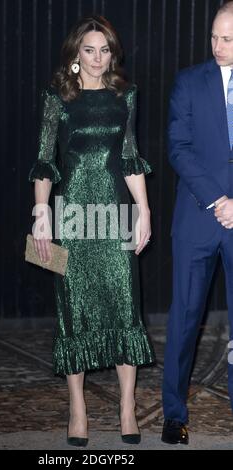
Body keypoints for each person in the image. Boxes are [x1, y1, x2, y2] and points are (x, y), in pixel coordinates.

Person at [28, 15, 154, 447]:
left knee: (124, 307)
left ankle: (127, 407)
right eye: (89, 50)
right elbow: (45, 159)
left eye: (105, 50)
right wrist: (41, 212)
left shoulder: (125, 95)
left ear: (112, 53)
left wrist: (145, 212)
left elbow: (131, 156)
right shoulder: (58, 97)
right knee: (73, 311)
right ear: (75, 55)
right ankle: (76, 409)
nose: (98, 58)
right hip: (71, 218)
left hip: (115, 215)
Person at [162, 2, 233, 445]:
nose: (217, 46)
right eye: (214, 37)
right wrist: (221, 199)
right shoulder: (189, 81)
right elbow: (178, 148)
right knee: (184, 318)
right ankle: (174, 414)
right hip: (198, 216)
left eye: (227, 39)